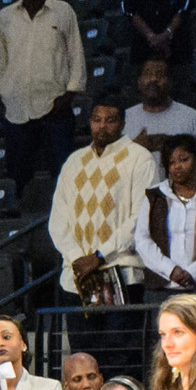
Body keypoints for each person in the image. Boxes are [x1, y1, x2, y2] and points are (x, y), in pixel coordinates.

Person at [49, 100, 156, 303]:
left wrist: (98, 257)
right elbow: (58, 220)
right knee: (79, 336)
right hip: (76, 277)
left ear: (122, 124)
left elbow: (140, 218)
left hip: (123, 273)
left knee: (120, 335)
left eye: (110, 121)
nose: (102, 126)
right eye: (97, 120)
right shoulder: (74, 161)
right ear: (90, 122)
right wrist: (79, 259)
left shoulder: (139, 158)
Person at [0, 0, 86, 193]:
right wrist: (2, 94)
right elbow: (0, 61)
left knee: (63, 175)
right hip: (17, 109)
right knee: (18, 174)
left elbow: (76, 54)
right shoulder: (5, 16)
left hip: (55, 107)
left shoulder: (63, 11)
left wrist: (69, 96)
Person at [134, 135, 196, 296]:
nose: (178, 167)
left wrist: (192, 272)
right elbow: (142, 239)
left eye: (184, 160)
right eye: (171, 162)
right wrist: (171, 270)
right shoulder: (154, 196)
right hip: (160, 287)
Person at [124, 60, 196, 166]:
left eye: (160, 74)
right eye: (148, 73)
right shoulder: (124, 119)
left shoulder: (192, 118)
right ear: (139, 81)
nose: (153, 79)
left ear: (170, 81)